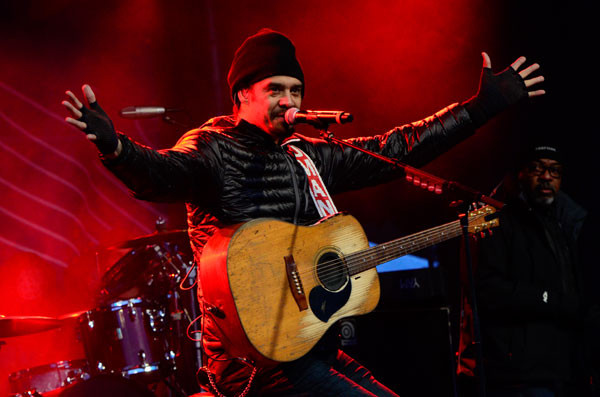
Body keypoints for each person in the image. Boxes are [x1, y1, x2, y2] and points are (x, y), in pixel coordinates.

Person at [62, 29, 544, 396]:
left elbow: (396, 147)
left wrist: (480, 109)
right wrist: (114, 146)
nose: (289, 100)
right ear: (241, 96)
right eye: (275, 89)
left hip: (311, 344)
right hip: (253, 362)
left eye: (295, 90)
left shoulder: (309, 153)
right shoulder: (211, 147)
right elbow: (160, 173)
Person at [461, 145, 589, 397]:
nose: (546, 176)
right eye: (536, 168)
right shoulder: (490, 218)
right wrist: (550, 299)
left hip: (562, 369)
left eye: (554, 170)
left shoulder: (561, 222)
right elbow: (487, 290)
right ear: (519, 173)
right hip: (517, 374)